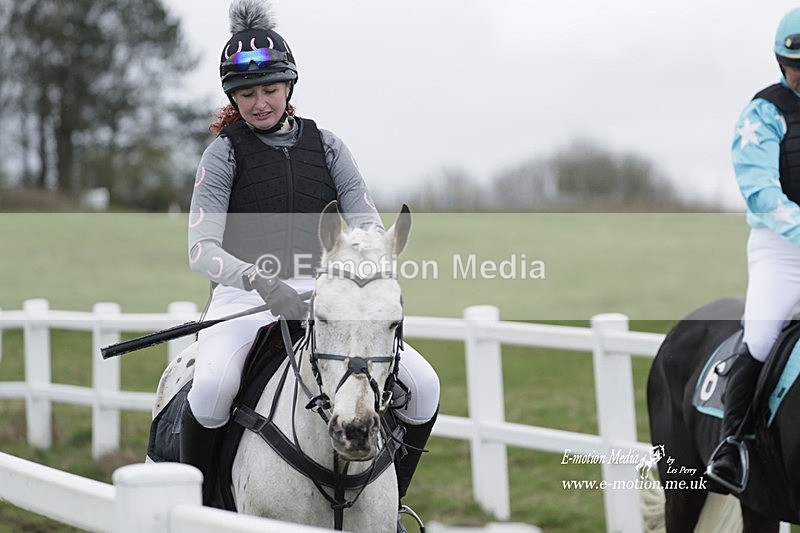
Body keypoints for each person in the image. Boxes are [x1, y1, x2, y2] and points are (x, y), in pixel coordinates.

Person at [181, 0, 441, 519]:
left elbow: (365, 224)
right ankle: (203, 506)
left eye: (270, 90)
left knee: (424, 387)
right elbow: (200, 250)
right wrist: (258, 280)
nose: (260, 103)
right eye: (247, 94)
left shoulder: (328, 147)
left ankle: (392, 504)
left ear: (289, 88)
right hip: (244, 297)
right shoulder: (224, 154)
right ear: (233, 96)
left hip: (327, 297)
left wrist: (364, 262)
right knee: (211, 388)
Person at [706, 7, 800, 491]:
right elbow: (761, 191)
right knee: (761, 337)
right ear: (782, 63)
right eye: (797, 66)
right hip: (781, 249)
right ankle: (732, 446)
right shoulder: (763, 112)